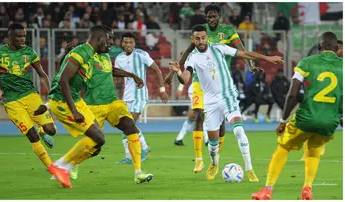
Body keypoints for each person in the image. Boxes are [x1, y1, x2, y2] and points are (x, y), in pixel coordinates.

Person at [37, 25, 150, 188]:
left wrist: (132, 75)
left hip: (111, 103)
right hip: (91, 104)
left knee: (128, 128)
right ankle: (67, 166)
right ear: (100, 39)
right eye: (109, 39)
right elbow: (64, 77)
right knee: (95, 140)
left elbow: (111, 70)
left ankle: (138, 172)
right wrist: (50, 105)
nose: (112, 43)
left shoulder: (103, 56)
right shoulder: (84, 53)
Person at [169, 24, 284, 181]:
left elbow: (245, 53)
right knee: (213, 143)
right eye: (198, 38)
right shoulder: (192, 58)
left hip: (228, 96)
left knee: (238, 131)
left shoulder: (219, 48)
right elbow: (186, 78)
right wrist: (178, 72)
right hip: (210, 102)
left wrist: (267, 58)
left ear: (207, 37)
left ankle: (249, 169)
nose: (201, 41)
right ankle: (214, 163)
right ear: (193, 40)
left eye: (203, 37)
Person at [164, 4, 262, 179]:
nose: (211, 19)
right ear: (205, 17)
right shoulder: (201, 33)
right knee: (198, 114)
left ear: (220, 16)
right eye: (208, 16)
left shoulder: (228, 31)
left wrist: (251, 66)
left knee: (224, 127)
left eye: (214, 16)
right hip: (199, 81)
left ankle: (230, 163)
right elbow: (187, 53)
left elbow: (242, 51)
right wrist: (174, 72)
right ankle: (200, 159)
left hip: (222, 82)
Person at [251, 32, 343, 200]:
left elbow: (292, 94)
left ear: (319, 47)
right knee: (314, 152)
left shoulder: (306, 63)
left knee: (283, 146)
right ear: (337, 48)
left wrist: (283, 120)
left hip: (306, 118)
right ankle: (307, 188)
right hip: (329, 122)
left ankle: (267, 190)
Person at [0, 23, 56, 170]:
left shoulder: (30, 53)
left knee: (52, 130)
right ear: (10, 37)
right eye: (19, 36)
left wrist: (51, 95)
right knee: (32, 135)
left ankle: (42, 130)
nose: (22, 39)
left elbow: (42, 75)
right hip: (12, 100)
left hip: (31, 96)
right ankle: (52, 168)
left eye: (24, 36)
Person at [115, 32, 169, 164]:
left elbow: (157, 70)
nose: (128, 45)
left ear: (134, 44)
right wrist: (116, 96)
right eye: (125, 42)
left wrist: (162, 90)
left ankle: (143, 148)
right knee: (125, 126)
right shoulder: (119, 58)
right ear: (121, 43)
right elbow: (118, 78)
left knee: (129, 124)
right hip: (126, 96)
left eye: (131, 42)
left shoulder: (141, 54)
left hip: (139, 95)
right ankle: (130, 155)